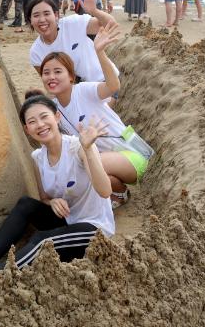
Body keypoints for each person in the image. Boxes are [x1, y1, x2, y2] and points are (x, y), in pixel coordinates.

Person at [0, 92, 114, 277]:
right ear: (26, 129)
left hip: (94, 228)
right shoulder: (38, 158)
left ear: (57, 117)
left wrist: (88, 149)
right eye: (32, 122)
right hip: (67, 220)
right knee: (26, 205)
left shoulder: (78, 147)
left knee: (41, 240)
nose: (40, 125)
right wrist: (53, 201)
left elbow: (105, 191)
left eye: (44, 117)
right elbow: (44, 198)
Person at [38, 25, 151, 207]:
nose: (51, 77)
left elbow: (113, 87)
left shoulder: (83, 90)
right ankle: (118, 192)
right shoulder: (56, 109)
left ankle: (114, 196)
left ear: (71, 77)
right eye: (46, 73)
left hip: (133, 153)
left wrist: (100, 53)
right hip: (104, 159)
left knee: (82, 166)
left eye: (58, 72)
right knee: (83, 163)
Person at [28, 0, 119, 82]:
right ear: (30, 20)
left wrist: (95, 11)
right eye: (36, 15)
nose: (42, 20)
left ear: (56, 15)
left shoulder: (73, 23)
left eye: (46, 14)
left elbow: (111, 24)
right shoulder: (36, 52)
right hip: (75, 91)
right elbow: (50, 83)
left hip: (105, 81)